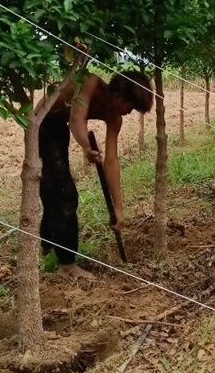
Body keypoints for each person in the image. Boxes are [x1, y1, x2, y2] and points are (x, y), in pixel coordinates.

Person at [36, 70, 153, 279]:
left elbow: (111, 160)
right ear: (118, 95)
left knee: (53, 187)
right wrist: (87, 146)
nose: (129, 112)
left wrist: (118, 207)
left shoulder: (115, 118)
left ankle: (46, 244)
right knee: (63, 191)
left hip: (59, 126)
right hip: (42, 123)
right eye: (130, 106)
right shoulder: (90, 82)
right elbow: (75, 119)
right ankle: (67, 265)